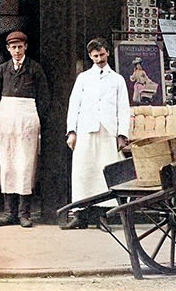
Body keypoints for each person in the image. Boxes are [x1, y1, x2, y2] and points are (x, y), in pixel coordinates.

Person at [63, 37, 130, 229]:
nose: (99, 59)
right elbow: (74, 106)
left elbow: (123, 109)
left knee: (104, 173)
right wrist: (72, 132)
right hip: (85, 130)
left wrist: (122, 134)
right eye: (95, 56)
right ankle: (80, 215)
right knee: (83, 173)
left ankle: (103, 216)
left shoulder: (117, 80)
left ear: (107, 52)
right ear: (90, 56)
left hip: (108, 132)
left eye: (101, 55)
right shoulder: (83, 78)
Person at [0, 30, 50, 227]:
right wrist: (5, 112)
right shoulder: (3, 69)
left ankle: (24, 214)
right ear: (8, 49)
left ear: (25, 47)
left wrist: (33, 117)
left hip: (28, 118)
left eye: (20, 47)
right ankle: (9, 213)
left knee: (25, 164)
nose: (17, 51)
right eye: (13, 47)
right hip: (7, 118)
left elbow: (43, 97)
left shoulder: (34, 68)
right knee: (8, 164)